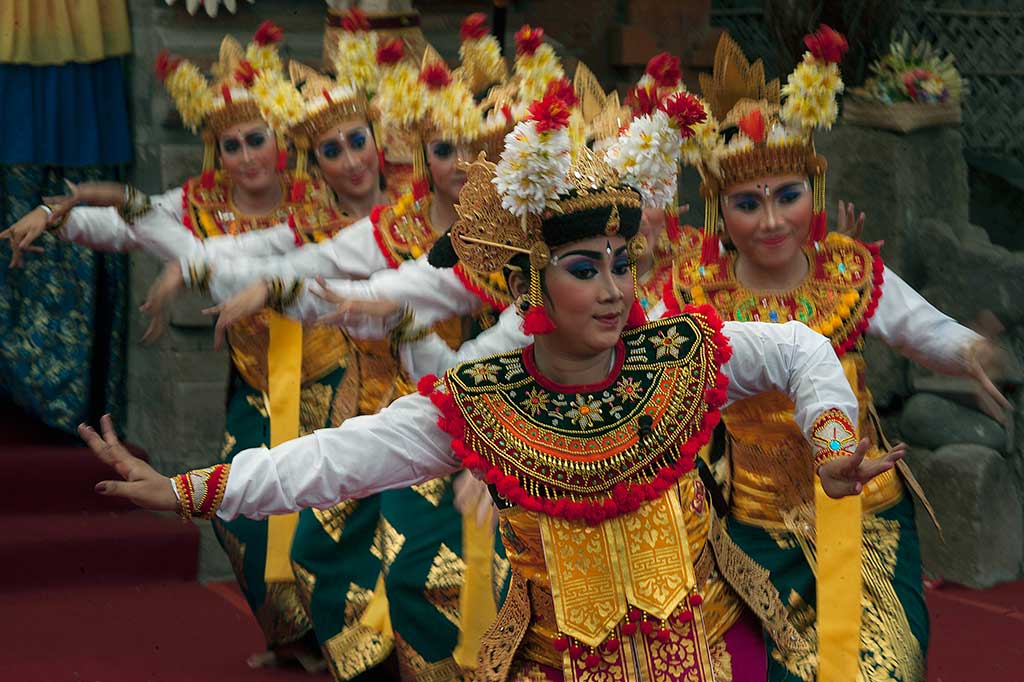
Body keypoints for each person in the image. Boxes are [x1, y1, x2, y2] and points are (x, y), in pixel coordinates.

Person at [79, 86, 903, 681]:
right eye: (586, 270)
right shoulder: (484, 405)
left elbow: (800, 350)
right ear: (535, 286)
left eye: (623, 265)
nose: (615, 291)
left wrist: (832, 443)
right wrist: (189, 489)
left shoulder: (681, 358)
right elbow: (329, 460)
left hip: (712, 656)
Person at [658, 28, 1012, 680]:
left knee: (878, 669)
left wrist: (971, 352)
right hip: (745, 528)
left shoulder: (846, 272)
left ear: (813, 193)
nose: (770, 221)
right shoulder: (689, 287)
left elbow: (919, 326)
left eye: (787, 196)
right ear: (717, 210)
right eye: (747, 203)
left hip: (861, 518)